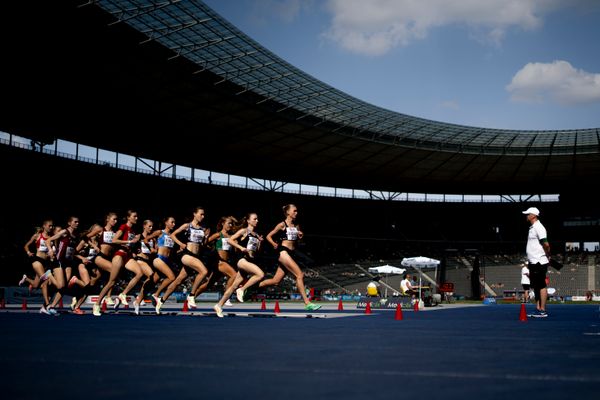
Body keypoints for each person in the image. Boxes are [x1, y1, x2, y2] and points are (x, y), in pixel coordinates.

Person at [522, 207, 551, 318]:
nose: (526, 215)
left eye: (528, 214)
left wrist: (547, 255)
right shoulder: (533, 227)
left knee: (541, 285)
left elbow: (546, 244)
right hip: (533, 261)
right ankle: (538, 308)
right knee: (536, 286)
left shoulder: (539, 227)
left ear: (533, 215)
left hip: (539, 261)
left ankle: (543, 310)